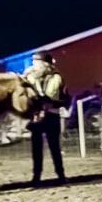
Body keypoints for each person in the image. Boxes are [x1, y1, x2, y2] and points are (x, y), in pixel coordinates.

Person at [22, 51, 71, 186]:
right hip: (36, 117)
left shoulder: (57, 77)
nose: (34, 65)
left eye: (37, 62)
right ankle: (36, 177)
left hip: (52, 115)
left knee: (55, 147)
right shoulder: (28, 77)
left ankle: (61, 175)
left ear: (45, 64)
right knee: (36, 148)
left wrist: (53, 104)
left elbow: (66, 98)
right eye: (33, 62)